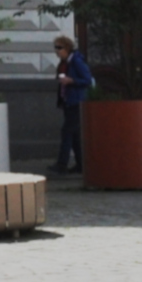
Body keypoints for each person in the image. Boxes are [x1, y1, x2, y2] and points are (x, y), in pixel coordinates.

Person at [52, 34, 94, 176]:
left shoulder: (76, 61)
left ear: (67, 48)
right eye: (55, 48)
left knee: (67, 132)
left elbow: (87, 80)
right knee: (75, 134)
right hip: (68, 101)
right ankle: (81, 165)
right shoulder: (65, 63)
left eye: (59, 48)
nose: (57, 51)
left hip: (76, 102)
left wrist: (72, 81)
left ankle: (62, 164)